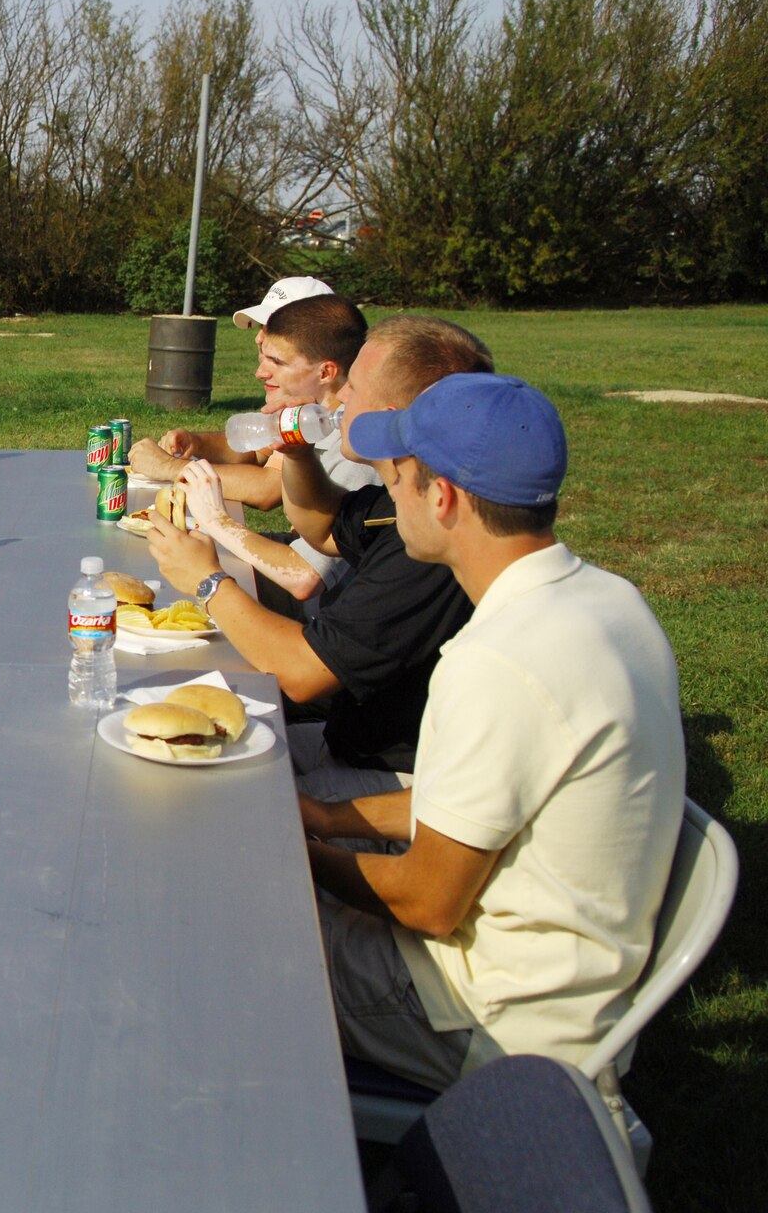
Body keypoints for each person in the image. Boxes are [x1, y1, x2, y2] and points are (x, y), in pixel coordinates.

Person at [302, 373, 684, 1089]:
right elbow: (474, 804)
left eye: (398, 480)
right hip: (562, 983)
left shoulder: (496, 662)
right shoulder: (609, 601)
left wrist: (298, 853)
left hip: (486, 1017)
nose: (390, 498)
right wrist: (324, 815)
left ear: (440, 497)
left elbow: (427, 900)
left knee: (232, 935)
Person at [145, 316, 490, 793]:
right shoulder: (404, 494)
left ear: (389, 415)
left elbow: (302, 674)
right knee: (156, 746)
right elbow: (323, 527)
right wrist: (300, 453)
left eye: (355, 386)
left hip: (398, 776)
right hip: (344, 738)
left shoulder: (432, 544)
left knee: (202, 794)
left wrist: (208, 580)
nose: (339, 397)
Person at [131, 278, 373, 607]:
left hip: (323, 618)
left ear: (326, 369)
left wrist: (211, 516)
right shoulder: (309, 414)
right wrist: (197, 442)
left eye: (277, 358)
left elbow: (304, 574)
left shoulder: (352, 441)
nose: (260, 369)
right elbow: (258, 448)